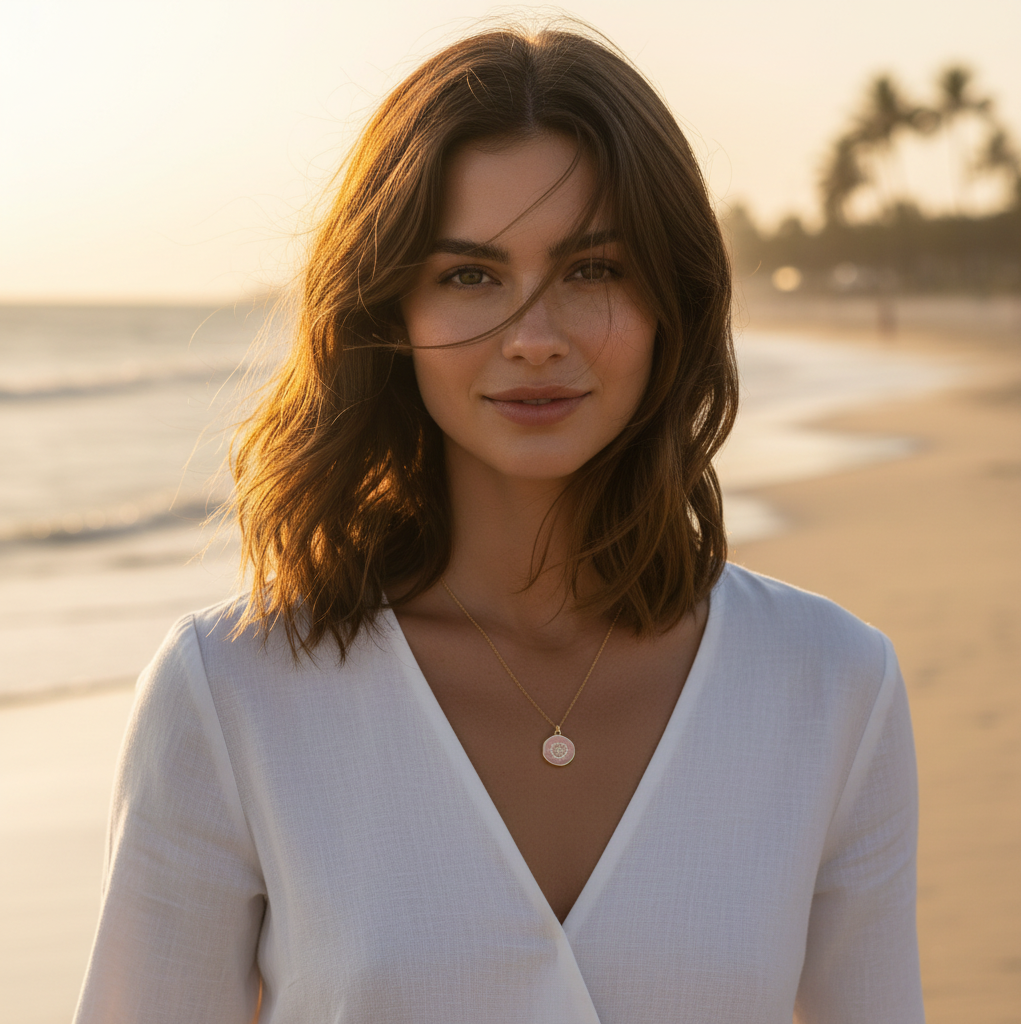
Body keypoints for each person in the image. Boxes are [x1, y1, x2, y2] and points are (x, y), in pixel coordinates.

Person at [74, 22, 924, 1024]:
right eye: (469, 275)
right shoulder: (231, 694)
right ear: (391, 313)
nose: (532, 338)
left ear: (671, 303)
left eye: (593, 269)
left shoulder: (832, 686)